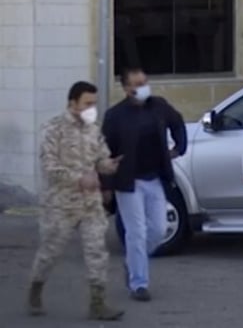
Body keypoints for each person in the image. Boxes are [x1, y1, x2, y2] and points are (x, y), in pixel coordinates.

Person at [28, 81, 125, 320]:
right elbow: (50, 167)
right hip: (60, 204)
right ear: (73, 103)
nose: (92, 108)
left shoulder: (94, 129)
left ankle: (98, 303)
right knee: (50, 252)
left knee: (96, 252)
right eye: (87, 103)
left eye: (94, 103)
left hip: (90, 203)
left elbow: (100, 158)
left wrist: (109, 166)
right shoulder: (54, 129)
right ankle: (36, 287)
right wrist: (78, 179)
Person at [101, 67, 187, 302]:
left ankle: (133, 263)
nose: (143, 87)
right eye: (137, 84)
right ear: (126, 89)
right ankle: (139, 283)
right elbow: (104, 152)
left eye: (145, 82)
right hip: (128, 182)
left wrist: (179, 148)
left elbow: (177, 122)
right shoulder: (115, 116)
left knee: (159, 229)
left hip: (154, 178)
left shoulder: (158, 106)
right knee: (136, 231)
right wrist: (106, 185)